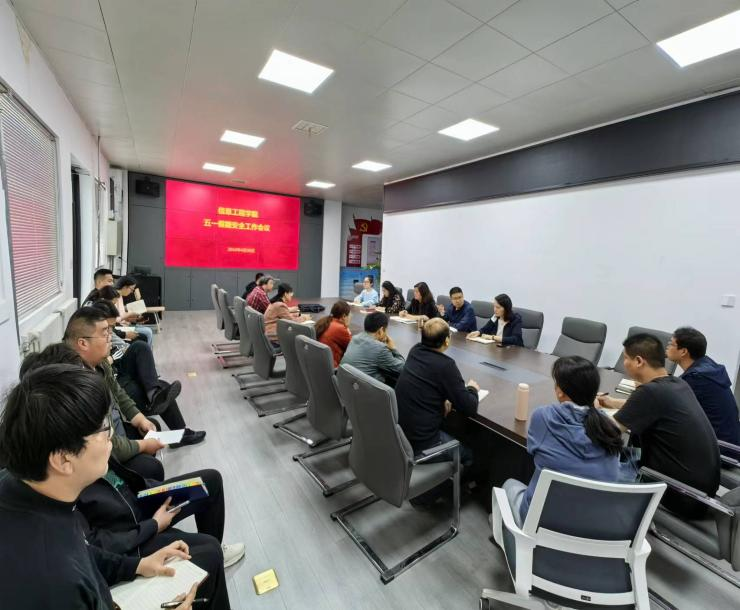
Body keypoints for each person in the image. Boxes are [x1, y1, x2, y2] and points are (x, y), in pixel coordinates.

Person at [0, 364, 205, 609]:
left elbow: (83, 551)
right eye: (102, 428)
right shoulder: (56, 579)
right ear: (63, 459)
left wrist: (136, 566)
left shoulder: (23, 487)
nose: (111, 435)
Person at [492, 356, 623, 541]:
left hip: (541, 524)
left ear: (560, 392)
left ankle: (504, 532)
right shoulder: (610, 430)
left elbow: (532, 451)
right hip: (593, 527)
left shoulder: (543, 417)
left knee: (509, 485)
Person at [599, 333, 720, 519]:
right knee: (620, 453)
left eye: (626, 358)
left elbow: (607, 433)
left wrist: (587, 408)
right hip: (701, 492)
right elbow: (644, 406)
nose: (624, 363)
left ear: (639, 361)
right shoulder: (677, 383)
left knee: (591, 464)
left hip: (679, 494)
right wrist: (611, 402)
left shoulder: (650, 392)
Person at [63, 308, 166, 481]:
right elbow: (105, 442)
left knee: (151, 426)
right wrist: (143, 446)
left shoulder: (100, 363)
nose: (110, 337)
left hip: (116, 433)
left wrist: (140, 419)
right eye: (105, 334)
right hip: (105, 455)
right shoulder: (79, 385)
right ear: (83, 343)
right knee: (151, 467)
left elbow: (118, 393)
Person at [89, 301, 205, 445]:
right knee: (163, 388)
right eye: (108, 329)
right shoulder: (88, 353)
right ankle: (179, 434)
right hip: (114, 388)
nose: (110, 333)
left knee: (141, 347)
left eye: (111, 328)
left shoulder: (104, 338)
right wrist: (110, 358)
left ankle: (154, 394)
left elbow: (121, 349)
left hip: (118, 375)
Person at [395, 318, 479, 465]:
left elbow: (427, 381)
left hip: (401, 435)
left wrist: (443, 395)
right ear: (446, 341)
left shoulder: (415, 350)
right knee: (471, 455)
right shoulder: (446, 365)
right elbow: (469, 407)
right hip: (423, 445)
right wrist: (472, 389)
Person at [666, 327, 740, 446]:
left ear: (683, 351)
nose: (667, 346)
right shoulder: (707, 365)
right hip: (726, 442)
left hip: (718, 448)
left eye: (671, 344)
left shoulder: (696, 378)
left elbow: (667, 406)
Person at [340, 311, 405, 386]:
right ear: (381, 330)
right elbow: (403, 369)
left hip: (344, 386)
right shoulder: (380, 349)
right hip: (364, 390)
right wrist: (394, 349)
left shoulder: (355, 338)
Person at [114, 275, 154, 346]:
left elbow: (121, 316)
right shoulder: (114, 298)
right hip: (120, 327)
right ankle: (146, 351)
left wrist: (135, 319)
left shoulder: (120, 296)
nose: (132, 292)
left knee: (148, 331)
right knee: (148, 332)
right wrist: (129, 314)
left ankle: (146, 351)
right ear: (125, 287)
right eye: (131, 289)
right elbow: (116, 320)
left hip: (124, 324)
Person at [315, 300, 352, 367]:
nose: (350, 317)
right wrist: (347, 327)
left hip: (320, 363)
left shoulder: (325, 321)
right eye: (349, 315)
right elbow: (352, 348)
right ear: (344, 316)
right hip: (332, 367)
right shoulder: (340, 328)